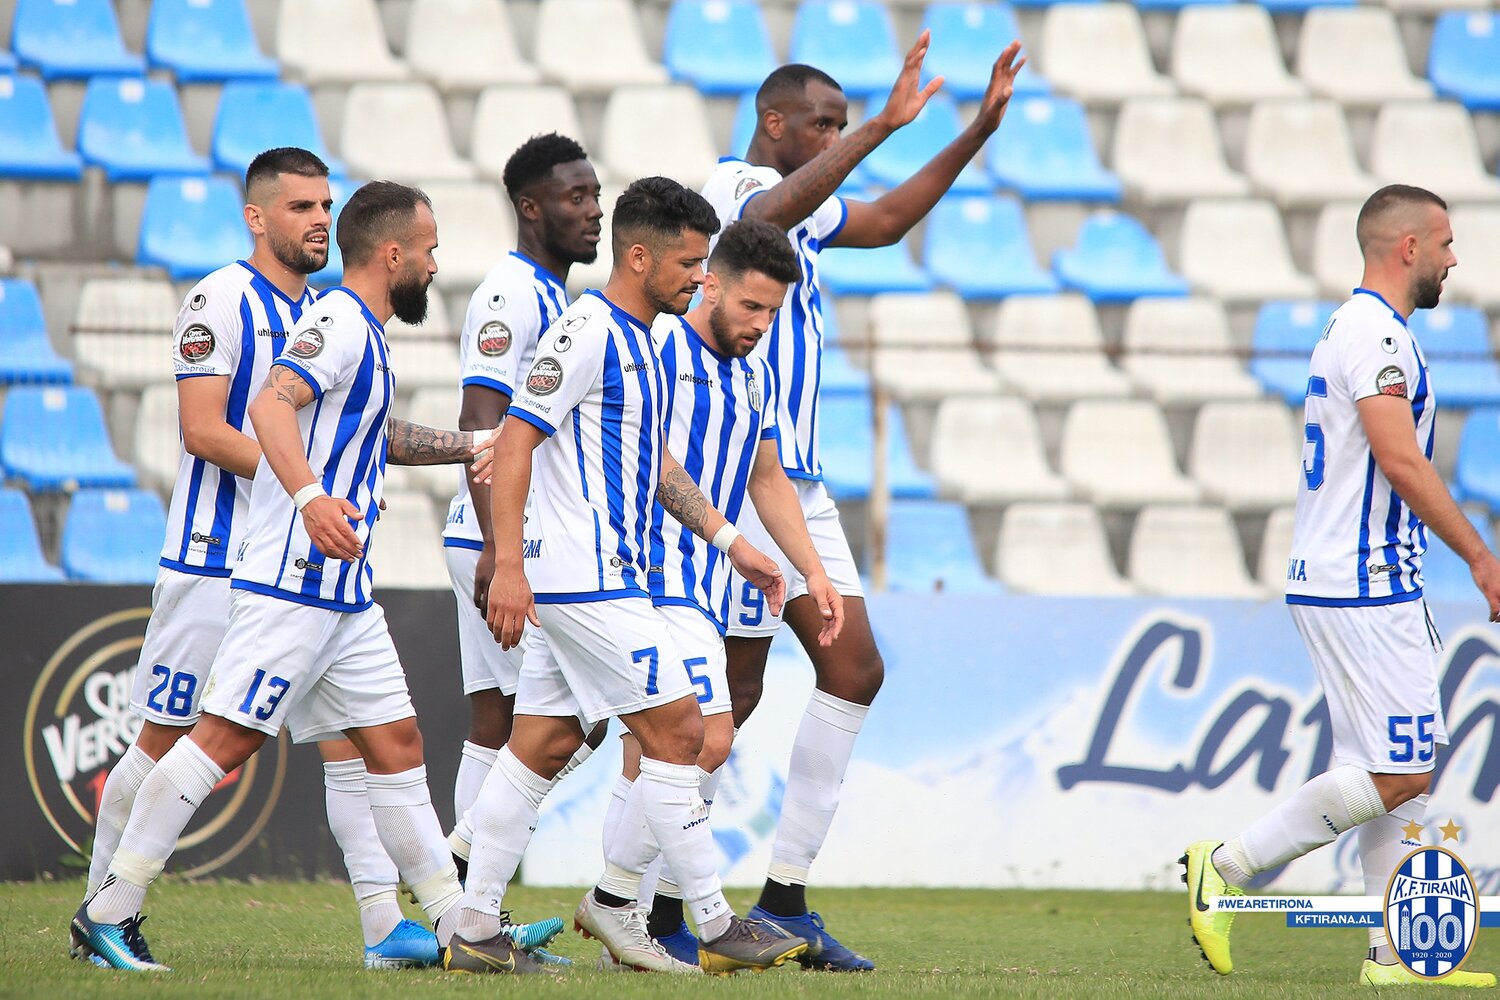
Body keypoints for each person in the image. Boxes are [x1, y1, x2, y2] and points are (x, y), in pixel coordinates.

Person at [72, 180, 488, 972]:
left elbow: (360, 431)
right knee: (194, 740)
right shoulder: (264, 306)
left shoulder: (340, 320)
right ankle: (107, 911)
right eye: (301, 207)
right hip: (254, 563)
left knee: (388, 743)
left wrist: (467, 446)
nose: (319, 221)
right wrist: (311, 495)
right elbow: (235, 419)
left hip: (336, 585)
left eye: (327, 207)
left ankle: (454, 928)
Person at [699, 34, 1025, 969]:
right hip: (735, 481)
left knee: (851, 671)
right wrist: (883, 124)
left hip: (796, 481)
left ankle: (785, 898)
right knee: (726, 695)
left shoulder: (806, 213)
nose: (836, 136)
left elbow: (881, 221)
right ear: (774, 123)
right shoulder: (727, 190)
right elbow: (775, 205)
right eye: (824, 123)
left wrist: (974, 133)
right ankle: (659, 903)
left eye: (844, 123)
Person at [445, 177, 804, 976]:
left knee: (541, 745)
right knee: (683, 732)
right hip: (587, 580)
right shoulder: (588, 331)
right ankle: (710, 923)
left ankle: (471, 927)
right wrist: (507, 564)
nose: (698, 277)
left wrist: (727, 538)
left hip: (610, 576)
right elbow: (513, 440)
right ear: (638, 257)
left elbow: (653, 463)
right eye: (688, 262)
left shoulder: (644, 337)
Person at [1182, 185, 1500, 988]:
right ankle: (1225, 868)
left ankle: (1392, 960)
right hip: (1365, 582)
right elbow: (1400, 459)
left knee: (1395, 775)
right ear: (1407, 249)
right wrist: (1480, 555)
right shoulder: (1377, 337)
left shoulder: (1354, 328)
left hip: (1350, 577)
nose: (1453, 259)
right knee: (1404, 772)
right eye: (1446, 243)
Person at [601, 217, 847, 967]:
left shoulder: (756, 372)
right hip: (642, 572)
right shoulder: (660, 346)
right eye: (751, 308)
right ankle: (629, 911)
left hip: (700, 582)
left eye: (773, 313)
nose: (761, 325)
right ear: (710, 282)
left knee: (597, 746)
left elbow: (766, 477)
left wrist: (813, 569)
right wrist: (730, 541)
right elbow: (650, 456)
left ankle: (602, 914)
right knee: (701, 738)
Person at [442, 134, 609, 886]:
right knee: (583, 714)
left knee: (501, 724)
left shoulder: (552, 295)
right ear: (530, 208)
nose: (595, 213)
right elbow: (481, 419)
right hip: (503, 537)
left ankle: (470, 904)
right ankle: (461, 873)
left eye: (597, 196)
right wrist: (495, 547)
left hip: (504, 534)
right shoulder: (510, 295)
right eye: (577, 198)